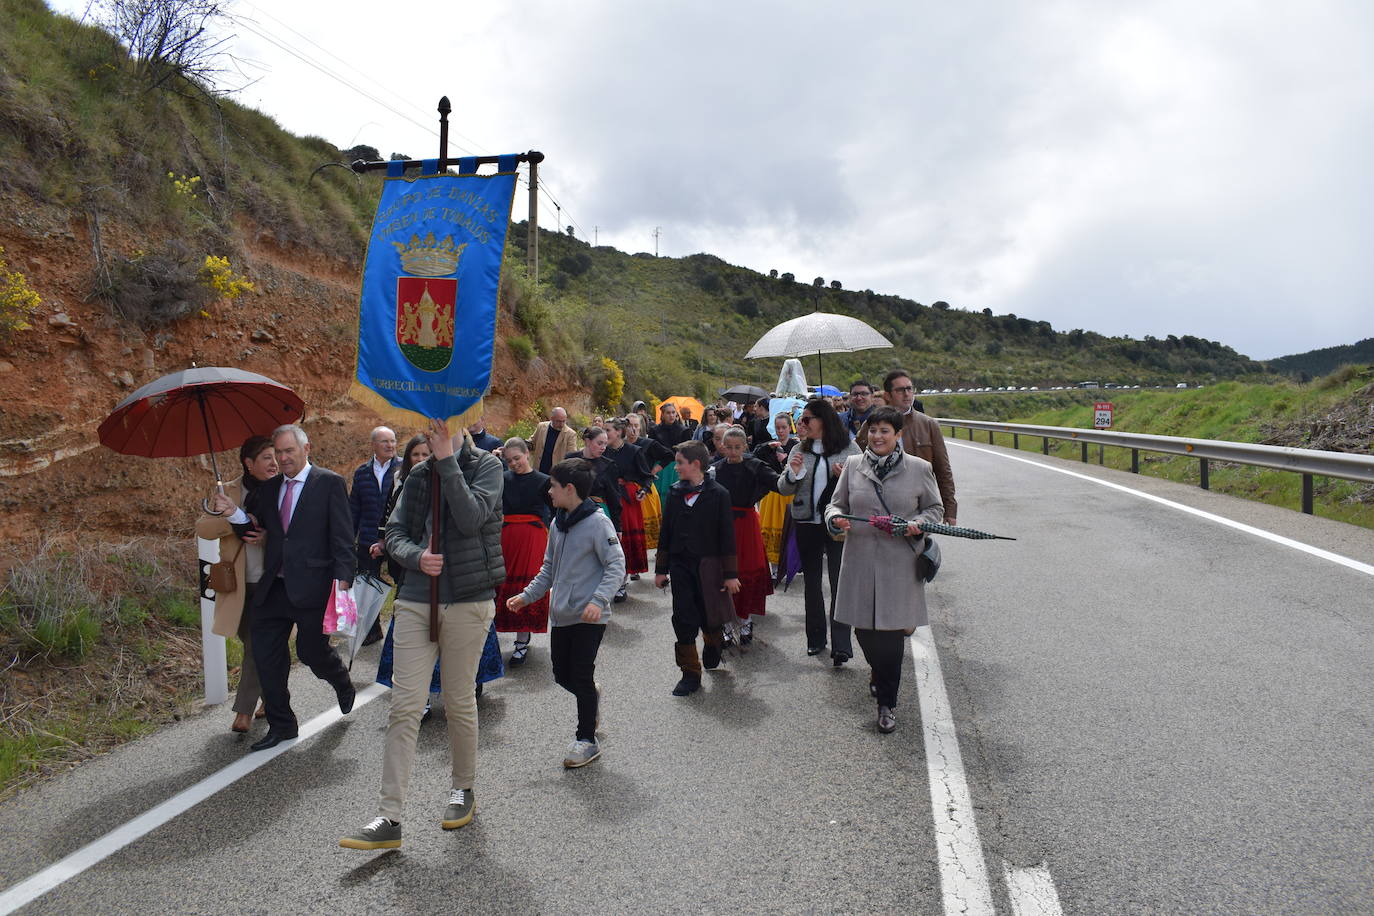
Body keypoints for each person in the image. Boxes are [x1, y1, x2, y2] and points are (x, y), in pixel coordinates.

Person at [341, 418, 505, 850]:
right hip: (415, 598)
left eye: (443, 428)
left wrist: (448, 462)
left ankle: (462, 789)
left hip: (468, 599)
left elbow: (471, 519)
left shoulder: (487, 467)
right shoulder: (416, 475)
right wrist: (417, 557)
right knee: (405, 706)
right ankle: (389, 816)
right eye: (431, 429)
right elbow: (393, 532)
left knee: (457, 700)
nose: (434, 434)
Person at [218, 424, 356, 752]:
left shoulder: (330, 483)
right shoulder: (268, 490)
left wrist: (344, 579)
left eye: (288, 451)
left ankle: (340, 680)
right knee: (266, 656)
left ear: (306, 449)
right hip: (274, 588)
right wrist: (233, 512)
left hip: (313, 586)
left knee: (311, 652)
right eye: (278, 453)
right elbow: (253, 530)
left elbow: (342, 535)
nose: (282, 458)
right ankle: (283, 724)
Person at [826, 407, 943, 733]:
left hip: (899, 565)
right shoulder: (852, 466)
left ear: (898, 435)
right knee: (864, 632)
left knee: (890, 639)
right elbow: (836, 504)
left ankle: (886, 705)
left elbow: (935, 510)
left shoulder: (919, 468)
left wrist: (916, 525)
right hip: (860, 561)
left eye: (884, 431)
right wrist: (835, 518)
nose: (877, 436)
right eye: (872, 430)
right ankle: (878, 671)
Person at [507, 458, 625, 768]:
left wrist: (598, 601)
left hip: (590, 615)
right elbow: (549, 568)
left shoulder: (599, 523)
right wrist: (527, 596)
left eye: (554, 486)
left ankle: (586, 740)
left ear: (569, 489)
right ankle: (590, 697)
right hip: (562, 613)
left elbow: (616, 565)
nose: (549, 491)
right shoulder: (558, 522)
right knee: (562, 675)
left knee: (582, 676)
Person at [196, 435, 275, 734]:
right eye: (266, 457)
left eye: (275, 456)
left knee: (256, 646)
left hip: (271, 582)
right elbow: (203, 529)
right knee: (253, 643)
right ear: (249, 463)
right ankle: (274, 698)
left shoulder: (283, 489)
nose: (274, 463)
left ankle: (242, 711)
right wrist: (233, 516)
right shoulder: (228, 492)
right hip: (238, 586)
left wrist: (265, 532)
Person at [775, 398, 860, 665]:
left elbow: (863, 485)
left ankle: (842, 645)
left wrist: (846, 476)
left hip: (837, 524)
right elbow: (783, 488)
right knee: (812, 583)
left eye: (807, 419)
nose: (801, 424)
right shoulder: (799, 450)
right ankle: (815, 640)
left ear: (823, 420)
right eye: (801, 420)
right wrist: (794, 473)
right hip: (806, 523)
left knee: (839, 582)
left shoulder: (849, 449)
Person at [655, 441, 738, 697]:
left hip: (709, 566)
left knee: (709, 614)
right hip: (681, 566)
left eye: (680, 463)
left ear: (696, 465)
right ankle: (690, 673)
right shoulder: (675, 492)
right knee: (683, 618)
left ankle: (714, 643)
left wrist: (731, 574)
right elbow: (666, 532)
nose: (676, 467)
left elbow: (727, 535)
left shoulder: (719, 494)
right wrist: (661, 569)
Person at [861, 370, 957, 525]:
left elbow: (943, 469)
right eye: (900, 390)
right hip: (879, 505)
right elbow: (856, 459)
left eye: (909, 389)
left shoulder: (928, 424)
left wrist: (950, 509)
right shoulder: (872, 424)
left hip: (917, 507)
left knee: (916, 547)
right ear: (887, 395)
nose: (906, 394)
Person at [710, 425, 776, 644]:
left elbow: (776, 482)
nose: (732, 451)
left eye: (737, 447)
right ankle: (727, 624)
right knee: (724, 571)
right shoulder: (715, 469)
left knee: (746, 569)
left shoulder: (754, 466)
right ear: (721, 446)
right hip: (722, 525)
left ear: (745, 447)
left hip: (747, 525)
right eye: (728, 447)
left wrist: (793, 472)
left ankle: (745, 620)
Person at [493, 437, 551, 665]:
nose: (514, 464)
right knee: (502, 584)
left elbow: (556, 509)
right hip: (505, 536)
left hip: (532, 538)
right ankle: (493, 638)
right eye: (509, 461)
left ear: (527, 453)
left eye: (517, 458)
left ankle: (521, 640)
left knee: (525, 585)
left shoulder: (544, 481)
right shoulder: (502, 479)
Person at [604, 418, 653, 594]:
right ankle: (612, 579)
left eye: (607, 430)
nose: (605, 433)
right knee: (609, 540)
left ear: (618, 432)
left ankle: (621, 582)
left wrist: (643, 491)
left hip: (628, 500)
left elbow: (647, 476)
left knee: (623, 540)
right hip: (607, 498)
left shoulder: (634, 451)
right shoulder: (602, 451)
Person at [753, 412, 798, 569]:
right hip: (771, 492)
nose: (780, 431)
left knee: (787, 527)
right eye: (778, 428)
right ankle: (772, 566)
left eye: (783, 427)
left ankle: (789, 562)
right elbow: (754, 457)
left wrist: (785, 460)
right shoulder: (769, 445)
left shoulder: (795, 445)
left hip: (789, 493)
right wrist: (766, 447)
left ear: (789, 427)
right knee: (770, 526)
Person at [626, 412, 671, 551]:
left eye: (636, 426)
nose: (633, 429)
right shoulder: (619, 445)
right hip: (626, 491)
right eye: (629, 426)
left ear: (640, 428)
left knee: (648, 533)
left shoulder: (648, 443)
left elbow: (669, 455)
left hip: (645, 490)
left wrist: (653, 471)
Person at [649, 402, 688, 510]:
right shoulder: (654, 430)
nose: (671, 415)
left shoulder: (684, 430)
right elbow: (651, 451)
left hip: (678, 465)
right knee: (659, 493)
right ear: (662, 414)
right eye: (668, 413)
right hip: (660, 466)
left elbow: (687, 452)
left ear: (676, 414)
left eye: (673, 412)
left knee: (676, 493)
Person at [530, 407, 578, 474]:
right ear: (551, 418)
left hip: (556, 474)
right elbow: (532, 442)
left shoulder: (570, 434)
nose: (561, 424)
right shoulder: (541, 426)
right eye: (558, 421)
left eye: (563, 421)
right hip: (538, 470)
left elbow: (572, 455)